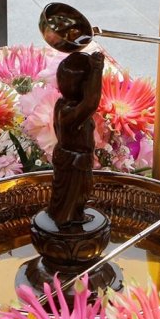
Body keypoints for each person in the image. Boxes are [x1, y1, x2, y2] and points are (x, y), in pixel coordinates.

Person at [47, 51, 104, 225]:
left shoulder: (62, 105)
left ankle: (72, 216)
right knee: (73, 196)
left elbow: (89, 102)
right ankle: (67, 222)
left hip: (72, 160)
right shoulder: (69, 112)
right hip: (74, 162)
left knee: (76, 196)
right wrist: (96, 70)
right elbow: (91, 102)